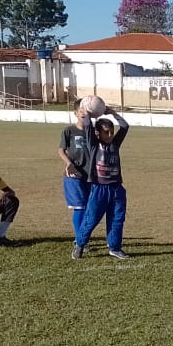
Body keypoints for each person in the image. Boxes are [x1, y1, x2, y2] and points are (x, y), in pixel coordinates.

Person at [72, 109, 130, 260]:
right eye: (106, 132)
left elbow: (125, 126)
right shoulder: (93, 145)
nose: (110, 135)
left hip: (116, 188)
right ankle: (80, 244)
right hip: (99, 189)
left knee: (117, 218)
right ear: (98, 133)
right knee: (91, 219)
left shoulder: (115, 144)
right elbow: (88, 126)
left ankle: (115, 247)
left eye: (111, 132)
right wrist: (88, 113)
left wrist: (112, 113)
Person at [58, 102, 95, 236]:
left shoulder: (93, 131)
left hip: (91, 175)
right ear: (75, 113)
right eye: (82, 110)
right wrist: (68, 163)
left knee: (89, 209)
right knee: (80, 208)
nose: (85, 113)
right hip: (74, 176)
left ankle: (83, 237)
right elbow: (61, 150)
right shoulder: (69, 131)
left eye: (87, 110)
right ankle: (80, 240)